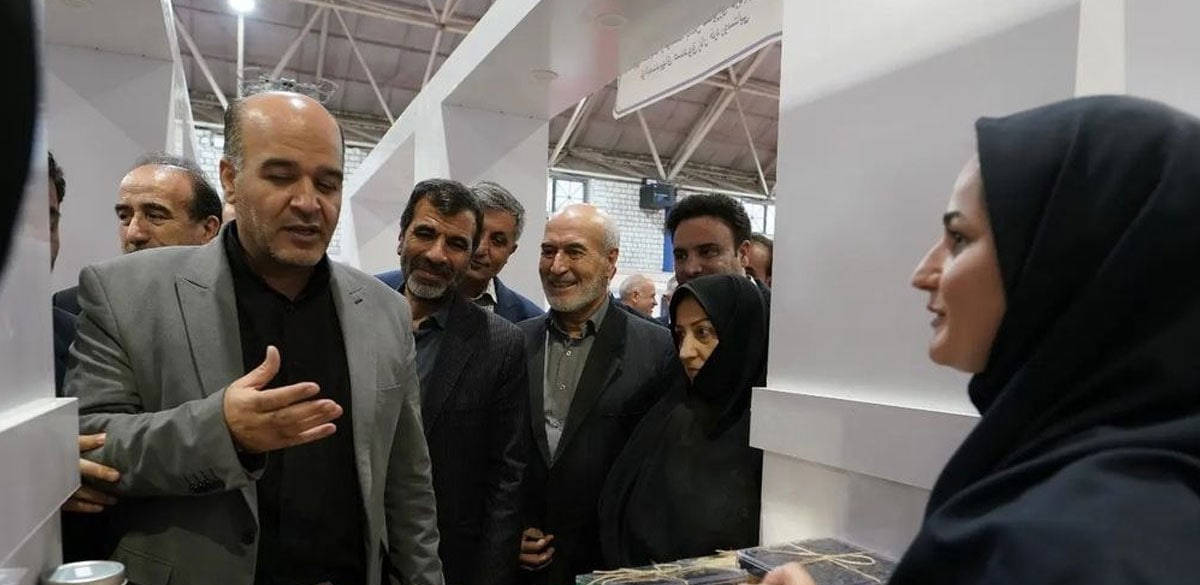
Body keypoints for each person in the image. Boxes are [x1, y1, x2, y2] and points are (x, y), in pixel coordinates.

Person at [766, 96, 1200, 584]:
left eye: (960, 239)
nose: (923, 273)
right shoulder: (1136, 491)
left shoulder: (1067, 548)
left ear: (1066, 263)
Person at [64, 91, 443, 585]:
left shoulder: (384, 311)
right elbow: (89, 445)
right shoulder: (126, 293)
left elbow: (408, 485)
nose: (308, 202)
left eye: (327, 183)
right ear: (230, 179)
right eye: (281, 177)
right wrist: (221, 431)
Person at [517, 204, 682, 584]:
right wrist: (509, 530)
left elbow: (659, 475)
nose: (557, 266)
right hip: (522, 568)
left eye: (574, 251)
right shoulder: (514, 341)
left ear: (611, 262)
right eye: (547, 251)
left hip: (608, 566)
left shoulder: (656, 351)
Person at [391, 178, 528, 585]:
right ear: (401, 237)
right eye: (425, 234)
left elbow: (506, 480)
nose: (437, 254)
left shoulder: (500, 343)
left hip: (447, 560)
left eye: (455, 244)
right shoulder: (356, 312)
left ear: (468, 256)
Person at [600, 274, 766, 567]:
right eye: (680, 334)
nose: (686, 352)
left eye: (703, 333)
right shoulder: (667, 414)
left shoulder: (768, 440)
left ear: (739, 335)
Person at [52, 153, 223, 316]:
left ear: (208, 229)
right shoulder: (76, 307)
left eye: (155, 216)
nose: (133, 234)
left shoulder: (229, 309)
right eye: (124, 216)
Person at [380, 180, 542, 323]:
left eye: (497, 241)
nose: (480, 249)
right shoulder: (376, 291)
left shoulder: (527, 320)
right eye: (475, 236)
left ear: (511, 252)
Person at [666, 193, 770, 311]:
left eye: (707, 252)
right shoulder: (676, 315)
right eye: (680, 256)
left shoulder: (777, 316)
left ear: (743, 253)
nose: (690, 269)